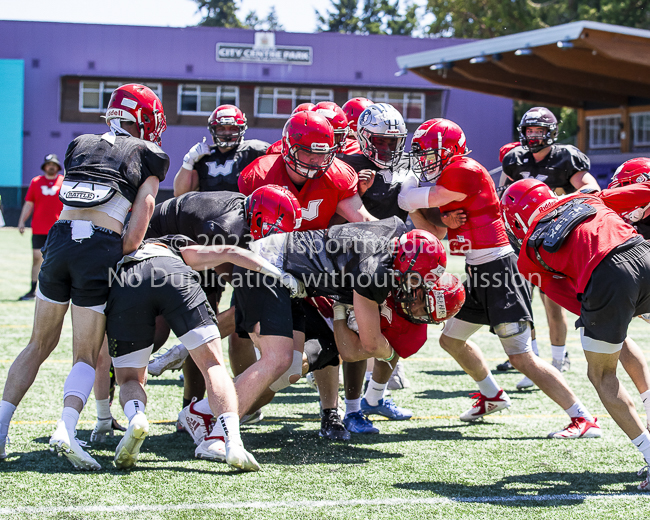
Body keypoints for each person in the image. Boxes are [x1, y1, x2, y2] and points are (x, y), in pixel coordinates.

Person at [398, 118, 600, 438]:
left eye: (431, 154)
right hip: (479, 270)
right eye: (421, 155)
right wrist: (422, 211)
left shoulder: (464, 170)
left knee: (520, 357)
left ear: (450, 151)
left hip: (502, 270)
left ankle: (583, 417)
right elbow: (432, 231)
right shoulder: (450, 179)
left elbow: (416, 199)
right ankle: (492, 395)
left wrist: (408, 194)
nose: (424, 161)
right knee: (451, 339)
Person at [0, 84, 169, 468]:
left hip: (58, 242)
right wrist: (120, 252)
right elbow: (138, 225)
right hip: (97, 247)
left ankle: (1, 427)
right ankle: (66, 428)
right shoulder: (150, 154)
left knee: (37, 344)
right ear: (145, 120)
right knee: (85, 353)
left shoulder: (81, 142)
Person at [229, 221, 446, 437]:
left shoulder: (394, 235)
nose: (415, 288)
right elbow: (369, 344)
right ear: (406, 260)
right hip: (273, 270)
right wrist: (389, 353)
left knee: (289, 367)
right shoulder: (377, 270)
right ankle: (217, 417)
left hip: (291, 280)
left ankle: (211, 410)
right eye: (416, 279)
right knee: (278, 361)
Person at [105, 234, 302, 470]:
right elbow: (232, 252)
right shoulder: (177, 251)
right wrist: (279, 274)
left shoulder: (119, 252)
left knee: (128, 378)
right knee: (213, 365)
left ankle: (136, 417)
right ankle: (232, 441)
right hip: (174, 273)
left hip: (128, 282)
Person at [501, 177, 650, 490]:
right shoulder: (586, 197)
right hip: (643, 251)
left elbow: (576, 303)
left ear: (515, 218)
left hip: (607, 277)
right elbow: (644, 192)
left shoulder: (529, 253)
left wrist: (613, 305)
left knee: (602, 375)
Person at [500, 107, 601, 376]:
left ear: (551, 133)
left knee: (552, 301)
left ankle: (559, 357)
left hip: (553, 240)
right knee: (520, 302)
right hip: (519, 240)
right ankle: (530, 357)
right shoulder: (515, 159)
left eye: (539, 130)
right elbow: (503, 195)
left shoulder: (566, 157)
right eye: (529, 130)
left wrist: (557, 203)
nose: (533, 136)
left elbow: (592, 189)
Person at [173, 104, 268, 196]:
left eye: (233, 128)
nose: (227, 133)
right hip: (208, 210)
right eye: (221, 128)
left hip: (241, 211)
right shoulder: (204, 156)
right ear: (212, 130)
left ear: (242, 129)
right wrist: (188, 161)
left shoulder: (254, 151)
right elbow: (180, 193)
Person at [16, 154, 64, 300]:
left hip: (57, 229)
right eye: (49, 164)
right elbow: (29, 203)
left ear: (57, 167)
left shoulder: (63, 182)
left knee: (57, 260)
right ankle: (32, 290)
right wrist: (21, 221)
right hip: (39, 228)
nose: (51, 167)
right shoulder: (36, 182)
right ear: (44, 166)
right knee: (37, 258)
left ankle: (56, 290)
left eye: (54, 164)